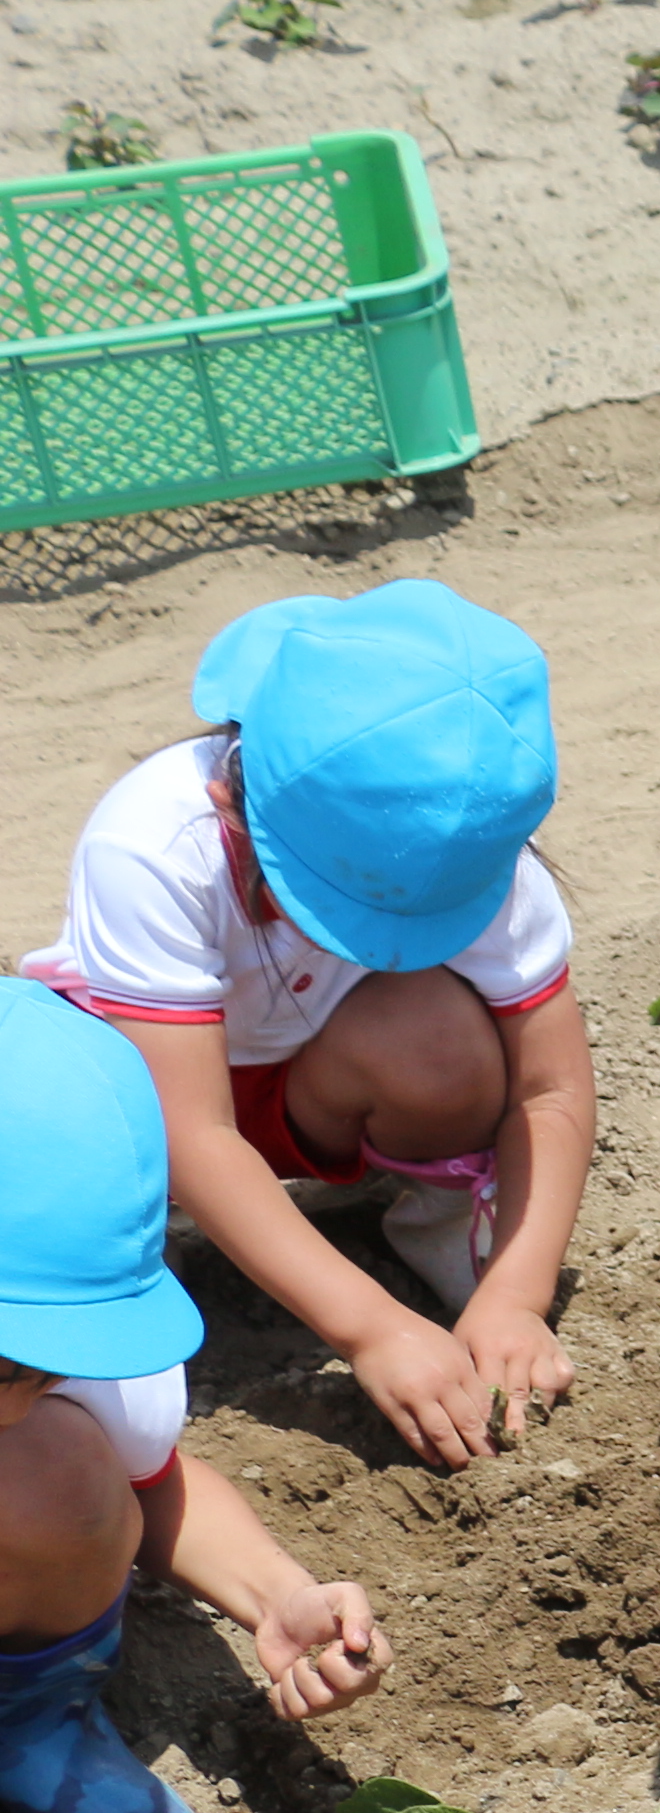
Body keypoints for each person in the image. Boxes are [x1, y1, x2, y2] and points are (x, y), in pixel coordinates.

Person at [23, 582, 590, 1471]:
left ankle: (430, 1216)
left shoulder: (474, 854)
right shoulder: (152, 843)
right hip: (147, 1092)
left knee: (442, 1041)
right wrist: (370, 1330)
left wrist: (520, 1291)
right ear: (233, 798)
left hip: (319, 1076)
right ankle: (125, 1261)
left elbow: (550, 1087)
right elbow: (194, 1130)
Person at [0, 984, 386, 1813]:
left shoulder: (60, 1375)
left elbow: (152, 1485)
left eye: (46, 1363)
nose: (34, 1388)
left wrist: (275, 1598)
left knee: (60, 1470)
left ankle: (34, 1722)